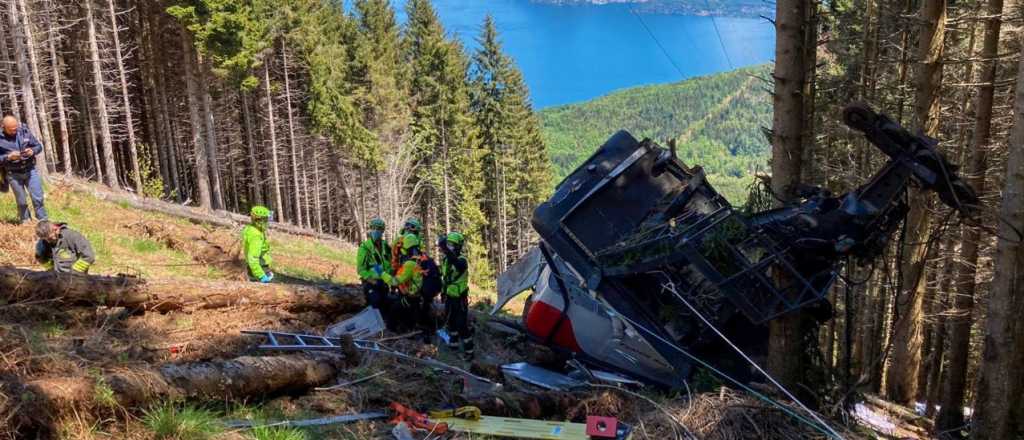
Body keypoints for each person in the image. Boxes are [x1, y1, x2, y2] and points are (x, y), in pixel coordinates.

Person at [0, 115, 47, 223]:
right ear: (3, 127)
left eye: (16, 128)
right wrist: (8, 157)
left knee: (38, 198)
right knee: (21, 202)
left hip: (30, 170)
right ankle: (26, 223)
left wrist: (32, 151)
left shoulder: (24, 132)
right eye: (11, 130)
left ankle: (43, 221)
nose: (14, 131)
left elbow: (38, 146)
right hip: (13, 174)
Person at [382, 233, 426, 332]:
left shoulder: (409, 264)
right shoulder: (420, 259)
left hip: (411, 299)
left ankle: (391, 332)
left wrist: (381, 273)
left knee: (392, 309)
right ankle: (408, 326)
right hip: (416, 298)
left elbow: (394, 281)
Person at [439, 231, 473, 357]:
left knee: (461, 325)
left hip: (460, 299)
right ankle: (453, 347)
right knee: (451, 323)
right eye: (448, 244)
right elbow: (445, 278)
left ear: (458, 246)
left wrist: (445, 249)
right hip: (449, 297)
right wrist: (443, 293)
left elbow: (458, 265)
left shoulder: (462, 260)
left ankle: (469, 352)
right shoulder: (445, 260)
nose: (449, 247)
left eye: (452, 245)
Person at [356, 218, 392, 310]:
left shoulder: (386, 246)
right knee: (375, 304)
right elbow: (361, 270)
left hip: (384, 283)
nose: (376, 231)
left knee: (387, 306)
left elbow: (390, 264)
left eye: (379, 228)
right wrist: (371, 280)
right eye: (373, 228)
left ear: (382, 230)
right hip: (371, 284)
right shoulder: (365, 247)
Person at [242, 205, 274, 283]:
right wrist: (261, 276)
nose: (268, 222)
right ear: (259, 221)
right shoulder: (256, 236)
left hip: (256, 268)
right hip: (260, 268)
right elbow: (253, 258)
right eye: (266, 220)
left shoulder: (251, 229)